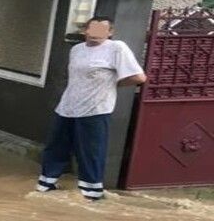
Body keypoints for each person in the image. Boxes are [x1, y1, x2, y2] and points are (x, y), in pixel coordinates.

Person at [36, 16, 147, 201]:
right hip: (67, 106)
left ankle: (91, 193)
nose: (96, 33)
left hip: (95, 109)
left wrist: (112, 83)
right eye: (93, 29)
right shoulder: (77, 50)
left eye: (103, 30)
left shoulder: (116, 48)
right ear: (85, 31)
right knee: (55, 146)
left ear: (110, 33)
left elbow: (139, 77)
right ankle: (46, 184)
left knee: (90, 151)